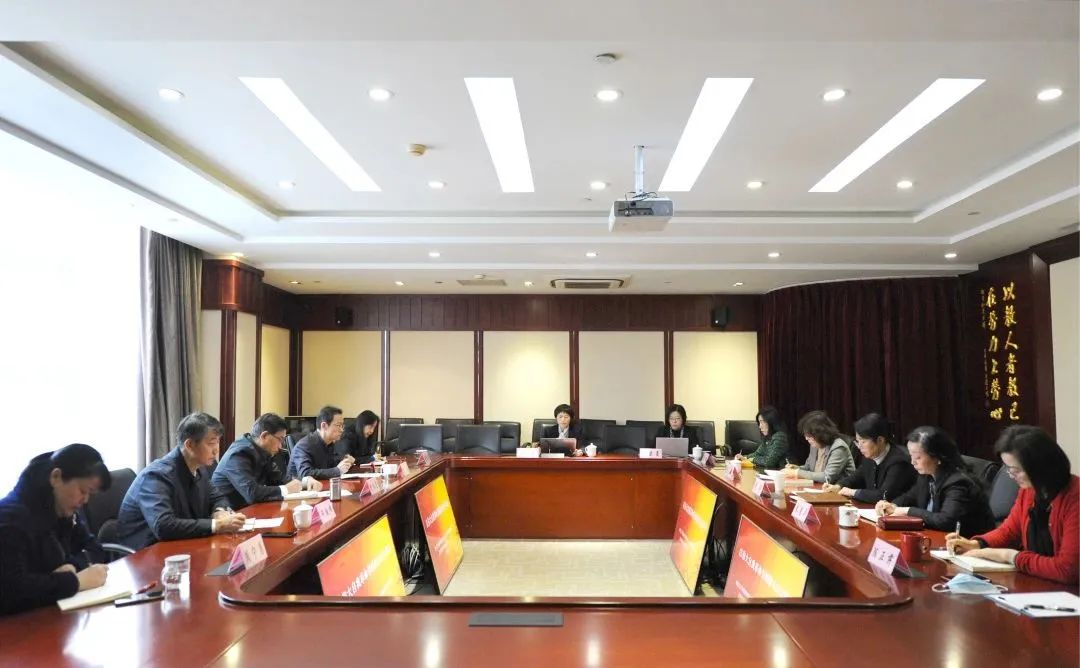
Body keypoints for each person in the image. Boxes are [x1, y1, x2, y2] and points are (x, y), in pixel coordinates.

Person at [947, 425, 1078, 584]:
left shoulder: (1075, 497)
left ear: (1041, 466)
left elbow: (1067, 570)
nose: (1011, 476)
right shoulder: (1029, 490)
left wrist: (1010, 556)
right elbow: (1010, 531)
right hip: (1039, 583)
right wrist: (977, 544)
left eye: (1016, 470)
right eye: (1008, 469)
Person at [0, 444, 112, 615]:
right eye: (82, 491)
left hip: (55, 613)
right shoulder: (10, 520)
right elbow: (12, 590)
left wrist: (72, 565)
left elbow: (95, 548)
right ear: (56, 477)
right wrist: (76, 582)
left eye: (90, 494)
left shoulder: (63, 509)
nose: (85, 500)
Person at [114, 413, 248, 552]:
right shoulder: (155, 476)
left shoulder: (199, 468)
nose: (216, 450)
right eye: (211, 443)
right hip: (147, 552)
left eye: (218, 442)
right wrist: (217, 525)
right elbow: (163, 526)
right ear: (189, 445)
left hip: (182, 545)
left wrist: (219, 512)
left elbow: (218, 497)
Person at [875, 426, 994, 535]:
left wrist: (907, 511)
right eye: (911, 456)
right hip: (935, 537)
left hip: (967, 544)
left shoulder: (958, 483)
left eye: (917, 457)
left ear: (938, 457)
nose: (912, 462)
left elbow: (946, 521)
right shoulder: (927, 476)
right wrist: (890, 505)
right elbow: (909, 497)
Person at [211, 413, 320, 510]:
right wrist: (286, 489)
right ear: (264, 436)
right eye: (280, 439)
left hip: (250, 510)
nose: (280, 446)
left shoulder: (264, 451)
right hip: (230, 514)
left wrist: (305, 482)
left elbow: (279, 479)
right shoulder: (238, 454)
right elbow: (252, 493)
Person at [823, 413, 916, 502]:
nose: (859, 446)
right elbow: (856, 477)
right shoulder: (870, 456)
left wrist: (853, 492)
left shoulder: (899, 461)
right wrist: (838, 486)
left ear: (880, 440)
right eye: (857, 441)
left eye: (863, 441)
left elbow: (884, 495)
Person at [784, 411, 854, 484]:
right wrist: (796, 468)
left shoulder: (838, 447)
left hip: (836, 488)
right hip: (818, 487)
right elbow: (809, 468)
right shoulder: (815, 445)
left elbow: (827, 477)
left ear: (821, 433)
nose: (806, 438)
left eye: (809, 435)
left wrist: (797, 473)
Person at [287, 405, 354, 481]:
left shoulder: (330, 443)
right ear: (324, 426)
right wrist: (337, 470)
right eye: (338, 425)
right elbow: (305, 474)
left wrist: (346, 463)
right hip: (301, 487)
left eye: (342, 426)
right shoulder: (304, 445)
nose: (342, 430)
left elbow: (331, 467)